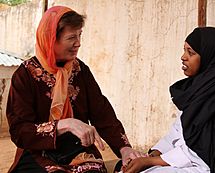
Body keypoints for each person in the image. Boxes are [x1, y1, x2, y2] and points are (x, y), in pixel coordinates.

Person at [6, 6, 145, 173]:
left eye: (80, 35)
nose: (78, 43)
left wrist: (124, 148)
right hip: (37, 152)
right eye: (71, 37)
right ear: (51, 39)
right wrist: (65, 124)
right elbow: (20, 130)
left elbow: (102, 114)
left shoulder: (80, 70)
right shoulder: (25, 75)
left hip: (77, 151)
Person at [123, 27, 215, 173]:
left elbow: (205, 150)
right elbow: (179, 130)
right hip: (194, 162)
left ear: (209, 56)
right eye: (184, 50)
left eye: (191, 53)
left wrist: (150, 161)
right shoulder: (203, 87)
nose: (183, 57)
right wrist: (153, 154)